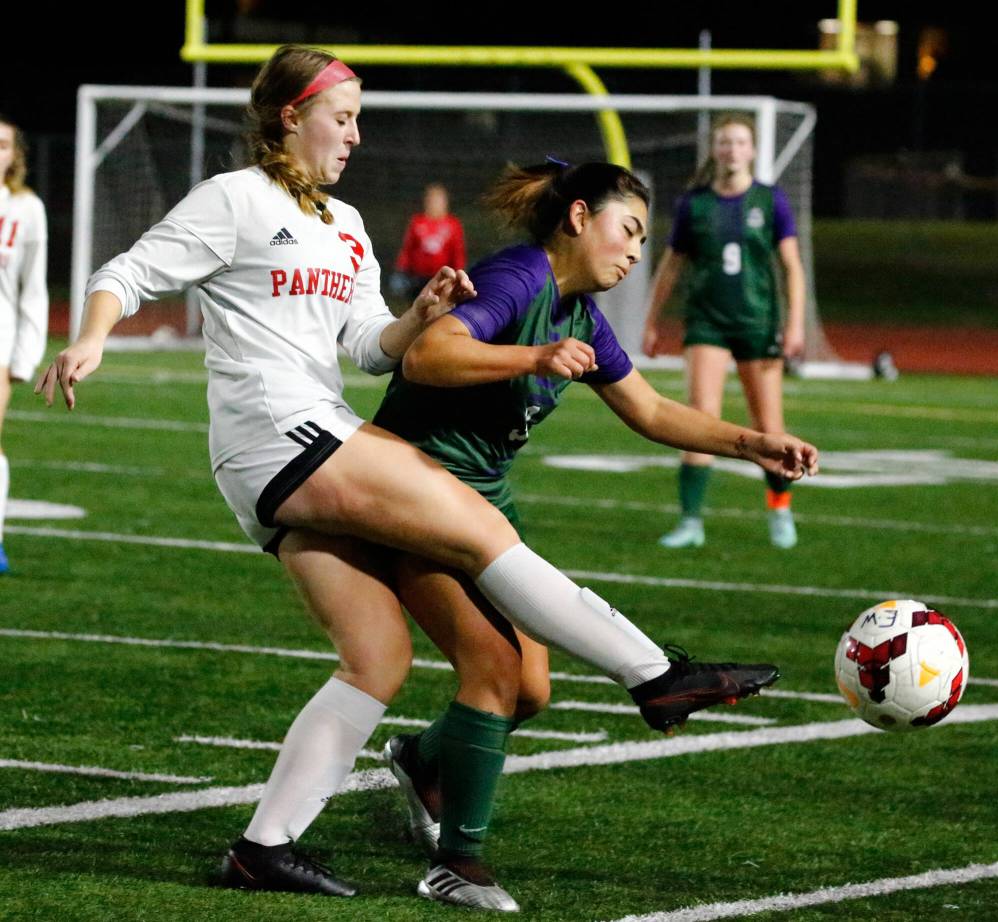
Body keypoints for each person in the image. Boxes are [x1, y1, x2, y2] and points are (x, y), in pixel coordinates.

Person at [35, 47, 809, 910]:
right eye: (344, 117)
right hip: (275, 431)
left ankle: (261, 849)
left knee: (378, 659)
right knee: (484, 536)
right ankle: (653, 674)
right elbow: (128, 272)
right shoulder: (236, 199)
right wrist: (93, 336)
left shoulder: (348, 225)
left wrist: (416, 317)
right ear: (290, 116)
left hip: (316, 429)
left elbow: (370, 349)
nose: (357, 135)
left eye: (360, 118)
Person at [372, 160, 820, 910]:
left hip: (482, 497)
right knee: (494, 668)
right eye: (629, 230)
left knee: (532, 690)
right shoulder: (519, 277)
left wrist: (754, 444)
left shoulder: (579, 313)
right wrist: (535, 356)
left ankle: (421, 761)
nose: (637, 251)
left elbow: (650, 411)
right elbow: (427, 353)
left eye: (645, 238)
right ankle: (459, 862)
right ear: (578, 217)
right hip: (410, 484)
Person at [642, 113, 807, 550]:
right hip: (706, 323)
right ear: (714, 150)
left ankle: (779, 510)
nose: (731, 150)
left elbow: (791, 267)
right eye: (724, 142)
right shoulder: (694, 204)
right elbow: (671, 265)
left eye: (739, 142)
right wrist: (651, 319)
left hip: (757, 323)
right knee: (700, 418)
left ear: (752, 150)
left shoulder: (770, 201)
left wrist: (794, 324)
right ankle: (691, 521)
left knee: (769, 423)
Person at [0, 114, 49, 574]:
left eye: (2, 145)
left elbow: (32, 287)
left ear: (15, 156)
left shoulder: (25, 208)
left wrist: (25, 356)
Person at [391, 182, 466, 303]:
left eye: (438, 201)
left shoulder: (453, 225)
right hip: (418, 278)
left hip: (443, 277)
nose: (435, 204)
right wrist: (401, 271)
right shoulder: (417, 222)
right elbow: (408, 249)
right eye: (432, 200)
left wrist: (459, 273)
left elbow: (457, 252)